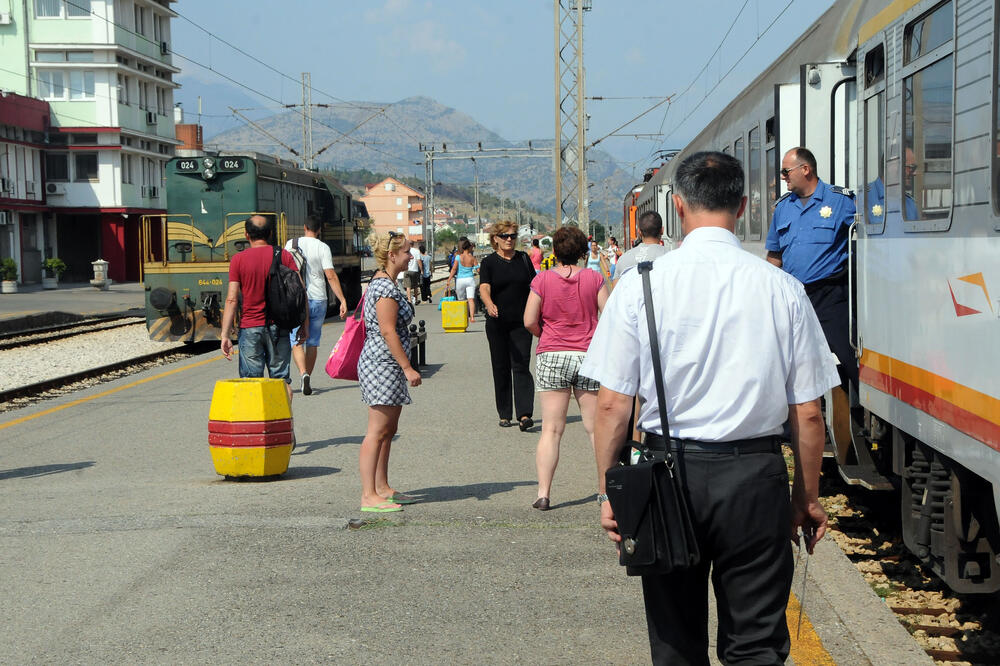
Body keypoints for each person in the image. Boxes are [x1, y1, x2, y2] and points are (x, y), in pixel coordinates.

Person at [582, 151, 839, 665]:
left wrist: (612, 492)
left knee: (675, 642)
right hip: (755, 478)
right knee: (757, 644)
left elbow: (612, 405)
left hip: (664, 476)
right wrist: (804, 495)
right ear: (743, 206)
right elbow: (808, 413)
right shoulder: (784, 289)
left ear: (678, 207)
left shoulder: (641, 285)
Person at [523, 225, 608, 510]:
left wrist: (544, 334)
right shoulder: (594, 279)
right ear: (583, 251)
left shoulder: (542, 280)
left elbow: (528, 320)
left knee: (551, 429)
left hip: (552, 354)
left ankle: (544, 493)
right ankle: (604, 491)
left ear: (555, 252)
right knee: (596, 429)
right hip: (588, 356)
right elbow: (608, 317)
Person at [766, 146, 858, 395]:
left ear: (805, 169)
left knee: (851, 362)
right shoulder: (783, 208)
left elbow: (865, 241)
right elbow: (774, 256)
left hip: (830, 297)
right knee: (788, 366)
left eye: (786, 171)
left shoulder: (840, 201)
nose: (783, 176)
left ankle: (862, 413)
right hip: (794, 299)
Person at [357, 230, 422, 513]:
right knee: (377, 430)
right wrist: (407, 367)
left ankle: (382, 487)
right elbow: (387, 330)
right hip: (382, 364)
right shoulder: (384, 287)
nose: (411, 256)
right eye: (407, 251)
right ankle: (368, 494)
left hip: (388, 364)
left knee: (388, 429)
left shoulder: (388, 283)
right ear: (392, 255)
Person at [220, 215, 306, 407]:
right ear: (270, 234)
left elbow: (232, 299)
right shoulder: (283, 255)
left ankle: (256, 433)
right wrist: (303, 325)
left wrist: (225, 334)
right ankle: (284, 431)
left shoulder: (238, 259)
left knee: (251, 384)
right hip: (279, 327)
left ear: (246, 234)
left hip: (250, 328)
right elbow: (300, 292)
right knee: (281, 382)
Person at [479, 221, 536, 430]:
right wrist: (489, 303)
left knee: (521, 365)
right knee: (501, 366)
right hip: (497, 322)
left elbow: (535, 285)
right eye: (504, 236)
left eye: (512, 235)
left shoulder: (523, 259)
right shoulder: (489, 263)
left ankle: (524, 414)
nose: (509, 239)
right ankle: (504, 413)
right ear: (495, 239)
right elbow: (484, 287)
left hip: (522, 322)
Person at [285, 215, 348, 396]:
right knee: (312, 341)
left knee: (297, 340)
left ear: (304, 227)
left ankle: (302, 372)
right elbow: (330, 275)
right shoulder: (323, 247)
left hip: (296, 299)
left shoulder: (291, 244)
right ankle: (308, 378)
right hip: (318, 298)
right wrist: (342, 300)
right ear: (319, 230)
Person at [613, 211, 669, 283]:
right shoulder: (671, 257)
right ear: (662, 230)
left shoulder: (623, 259)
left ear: (639, 232)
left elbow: (615, 291)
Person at [445, 238, 479, 323]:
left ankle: (463, 317)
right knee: (471, 299)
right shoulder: (473, 258)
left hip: (460, 280)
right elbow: (478, 270)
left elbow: (454, 269)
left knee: (461, 300)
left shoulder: (458, 257)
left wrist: (449, 279)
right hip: (470, 280)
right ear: (469, 248)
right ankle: (471, 317)